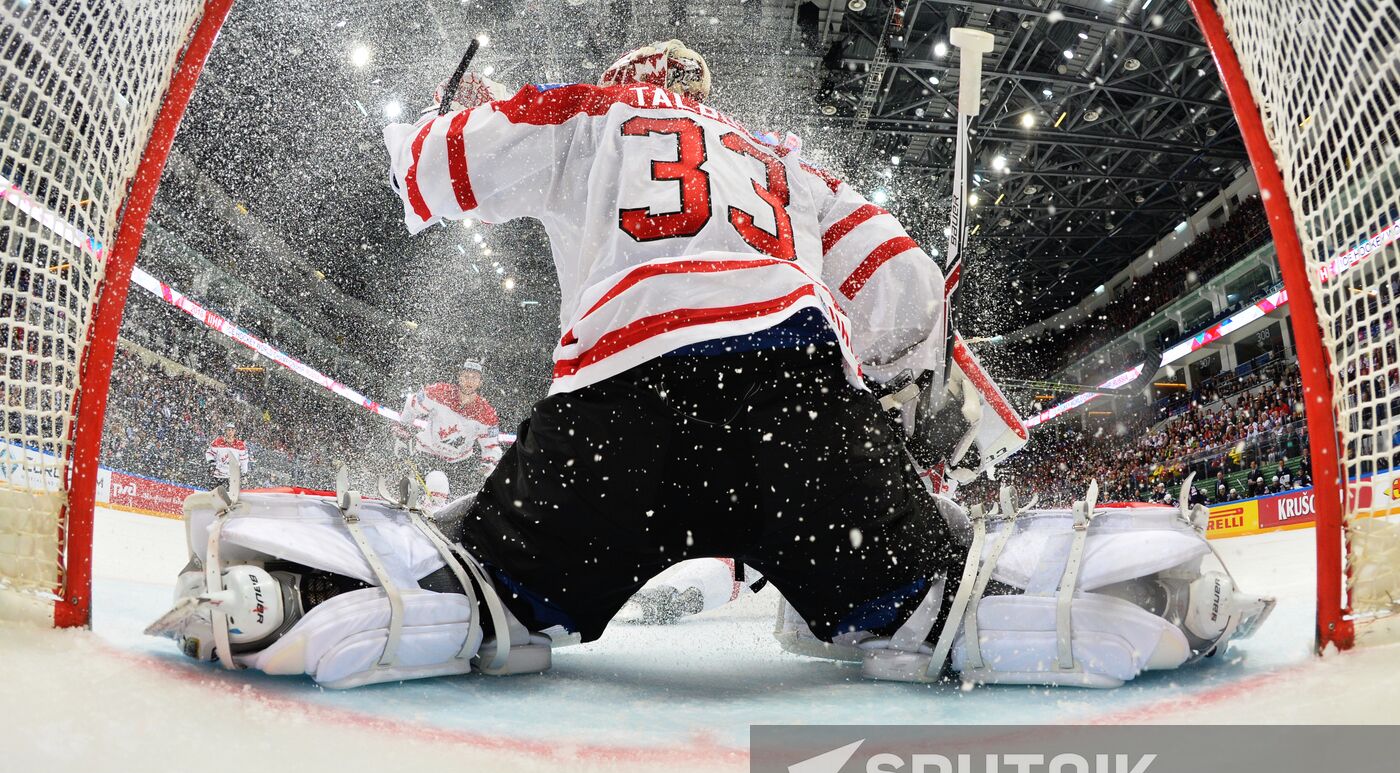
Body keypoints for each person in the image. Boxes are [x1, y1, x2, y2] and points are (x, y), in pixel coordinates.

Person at [147, 40, 1273, 690]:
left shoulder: (582, 112)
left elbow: (426, 172)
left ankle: (291, 592)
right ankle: (1153, 590)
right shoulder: (778, 160)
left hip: (611, 424)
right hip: (793, 419)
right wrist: (893, 400)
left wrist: (443, 122)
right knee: (941, 598)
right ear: (697, 93)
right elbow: (905, 295)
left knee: (483, 589)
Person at [394, 359, 502, 494]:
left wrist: (489, 463)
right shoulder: (439, 393)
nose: (469, 381)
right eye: (466, 376)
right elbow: (412, 404)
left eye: (474, 378)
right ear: (459, 377)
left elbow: (491, 446)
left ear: (480, 382)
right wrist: (402, 433)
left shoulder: (486, 413)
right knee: (436, 484)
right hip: (427, 453)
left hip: (459, 464)